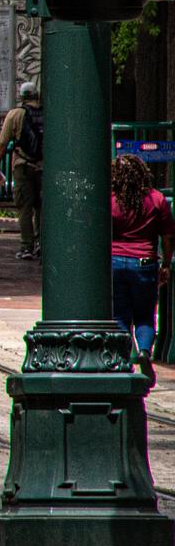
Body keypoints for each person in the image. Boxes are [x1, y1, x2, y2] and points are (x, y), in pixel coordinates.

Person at [110, 153, 173, 384]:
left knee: (120, 316)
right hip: (145, 263)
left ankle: (127, 358)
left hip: (115, 261)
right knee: (145, 316)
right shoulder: (156, 199)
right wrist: (166, 264)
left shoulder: (111, 200)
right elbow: (167, 236)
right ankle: (145, 351)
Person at [0, 81, 43, 260]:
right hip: (44, 167)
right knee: (42, 207)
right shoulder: (47, 113)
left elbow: (2, 143)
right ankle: (42, 244)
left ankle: (27, 246)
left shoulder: (15, 114)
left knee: (24, 207)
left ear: (22, 97)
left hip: (23, 166)